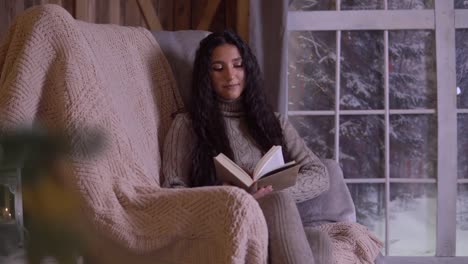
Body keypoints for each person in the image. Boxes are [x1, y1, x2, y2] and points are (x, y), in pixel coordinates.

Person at [162, 30, 330, 264]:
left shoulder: (274, 122)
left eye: (237, 65)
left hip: (275, 224)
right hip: (226, 224)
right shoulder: (187, 124)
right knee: (278, 202)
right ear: (206, 76)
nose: (230, 75)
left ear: (248, 69)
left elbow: (320, 174)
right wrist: (230, 196)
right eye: (218, 68)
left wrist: (270, 193)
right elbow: (172, 189)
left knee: (319, 241)